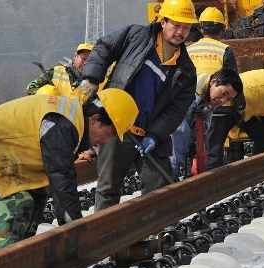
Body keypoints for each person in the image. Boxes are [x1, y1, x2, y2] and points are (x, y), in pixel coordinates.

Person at [0, 88, 138, 249]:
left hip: (9, 152)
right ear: (95, 120)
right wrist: (74, 232)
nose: (105, 141)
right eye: (108, 134)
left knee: (38, 197)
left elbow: (63, 174)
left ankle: (21, 256)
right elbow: (61, 178)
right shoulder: (63, 125)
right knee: (18, 203)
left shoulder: (73, 120)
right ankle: (7, 263)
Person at [79, 0, 198, 212]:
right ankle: (106, 241)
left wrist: (155, 135)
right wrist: (92, 77)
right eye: (176, 25)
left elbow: (176, 111)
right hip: (116, 127)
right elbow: (105, 46)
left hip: (150, 136)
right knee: (108, 188)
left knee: (157, 189)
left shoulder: (186, 71)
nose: (180, 32)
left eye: (186, 27)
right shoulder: (138, 37)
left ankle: (149, 240)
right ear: (163, 21)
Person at [170, 69, 243, 179]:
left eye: (228, 99)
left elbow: (201, 131)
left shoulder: (208, 95)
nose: (223, 101)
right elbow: (179, 133)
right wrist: (174, 171)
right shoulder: (193, 94)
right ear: (213, 82)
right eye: (224, 93)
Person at [26, 43, 94, 97]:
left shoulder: (97, 82)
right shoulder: (56, 72)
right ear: (75, 56)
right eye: (83, 58)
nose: (85, 63)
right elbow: (31, 88)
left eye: (90, 60)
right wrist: (48, 97)